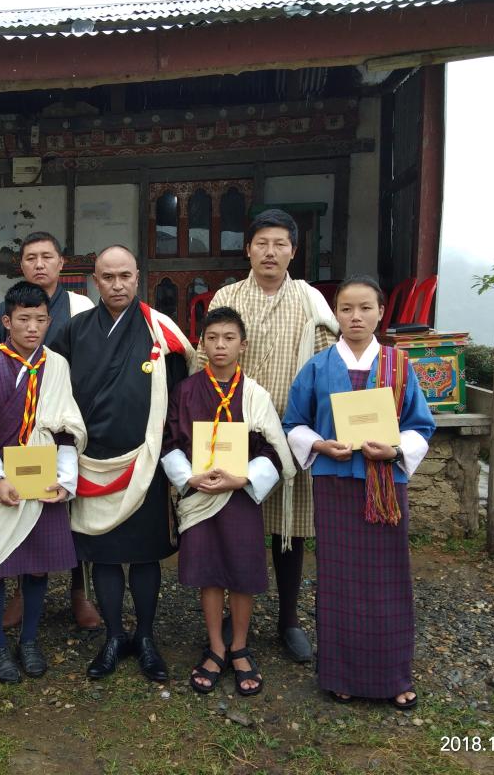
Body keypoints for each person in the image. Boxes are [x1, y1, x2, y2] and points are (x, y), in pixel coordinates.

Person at [283, 276, 434, 709]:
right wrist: (318, 444)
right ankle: (342, 674)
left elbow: (420, 426)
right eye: (346, 309)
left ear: (381, 312)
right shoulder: (318, 367)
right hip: (335, 484)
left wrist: (396, 448)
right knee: (340, 580)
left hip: (385, 486)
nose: (355, 317)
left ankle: (394, 675)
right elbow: (295, 422)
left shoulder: (399, 365)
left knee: (388, 580)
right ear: (336, 314)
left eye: (365, 308)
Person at [201, 209, 338, 663]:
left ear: (293, 251)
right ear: (248, 249)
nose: (270, 252)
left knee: (289, 529)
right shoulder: (229, 295)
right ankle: (227, 617)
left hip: (288, 430)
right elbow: (208, 358)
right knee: (231, 523)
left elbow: (325, 365)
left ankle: (288, 618)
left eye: (280, 244)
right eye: (262, 243)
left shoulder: (310, 300)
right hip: (233, 430)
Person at [52, 244, 193, 682]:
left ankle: (146, 637)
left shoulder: (160, 330)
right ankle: (114, 636)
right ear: (95, 281)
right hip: (93, 462)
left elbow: (181, 393)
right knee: (106, 557)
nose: (117, 285)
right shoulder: (75, 330)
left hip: (146, 459)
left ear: (138, 277)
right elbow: (47, 374)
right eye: (108, 277)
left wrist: (173, 447)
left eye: (125, 276)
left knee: (146, 556)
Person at [0, 281, 86, 683]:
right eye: (23, 319)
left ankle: (29, 640)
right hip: (3, 485)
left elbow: (66, 428)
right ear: (6, 321)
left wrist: (65, 479)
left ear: (50, 321)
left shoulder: (58, 367)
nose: (33, 328)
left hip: (43, 482)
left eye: (41, 319)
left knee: (37, 568)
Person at [162, 307, 297, 696]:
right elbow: (172, 443)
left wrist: (245, 478)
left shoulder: (254, 394)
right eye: (212, 338)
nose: (220, 345)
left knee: (241, 570)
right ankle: (216, 646)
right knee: (208, 570)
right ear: (201, 344)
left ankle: (239, 645)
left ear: (243, 344)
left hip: (239, 496)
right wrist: (190, 476)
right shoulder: (186, 391)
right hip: (201, 494)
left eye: (229, 338)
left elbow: (274, 449)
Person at [0, 231, 100, 631]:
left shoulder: (81, 306)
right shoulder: (4, 309)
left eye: (48, 256)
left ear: (62, 263)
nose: (40, 264)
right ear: (22, 265)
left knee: (72, 514)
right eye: (31, 257)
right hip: (18, 430)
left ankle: (80, 593)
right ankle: (18, 591)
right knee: (23, 514)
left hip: (67, 411)